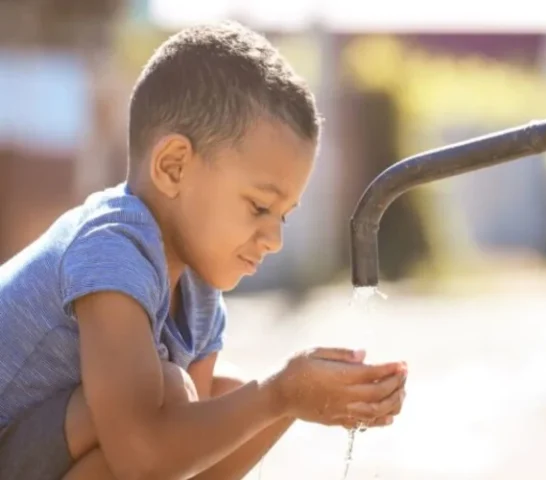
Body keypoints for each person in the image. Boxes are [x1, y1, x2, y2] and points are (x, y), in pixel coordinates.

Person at [0, 21, 408, 480]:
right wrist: (279, 394)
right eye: (258, 206)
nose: (273, 239)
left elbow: (189, 467)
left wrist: (297, 403)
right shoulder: (111, 247)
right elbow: (143, 459)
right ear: (174, 167)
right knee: (177, 394)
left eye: (284, 216)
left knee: (217, 397)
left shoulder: (198, 296)